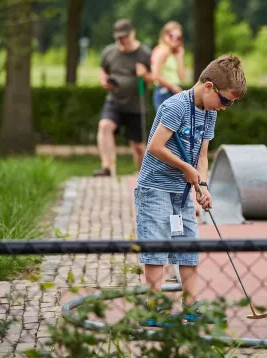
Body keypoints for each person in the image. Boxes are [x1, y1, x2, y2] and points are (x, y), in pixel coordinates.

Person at [134, 54, 246, 323]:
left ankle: (191, 306)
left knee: (188, 245)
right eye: (226, 100)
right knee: (156, 248)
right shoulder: (176, 107)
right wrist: (186, 168)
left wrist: (202, 185)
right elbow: (155, 147)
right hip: (156, 188)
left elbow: (203, 155)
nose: (225, 107)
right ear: (209, 87)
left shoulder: (209, 113)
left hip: (182, 192)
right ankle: (154, 307)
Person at [93, 19, 157, 177]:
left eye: (125, 37)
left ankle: (142, 175)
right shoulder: (110, 52)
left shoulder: (144, 53)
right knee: (104, 126)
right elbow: (104, 70)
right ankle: (108, 167)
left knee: (138, 146)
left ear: (133, 33)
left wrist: (144, 74)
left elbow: (154, 78)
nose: (122, 41)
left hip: (135, 104)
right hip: (114, 100)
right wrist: (104, 80)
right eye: (118, 38)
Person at [151, 21, 186, 112]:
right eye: (171, 36)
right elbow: (156, 75)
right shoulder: (162, 50)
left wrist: (180, 57)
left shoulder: (174, 53)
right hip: (164, 92)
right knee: (167, 125)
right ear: (164, 35)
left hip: (174, 92)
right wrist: (173, 87)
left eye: (178, 37)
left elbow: (182, 77)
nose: (174, 39)